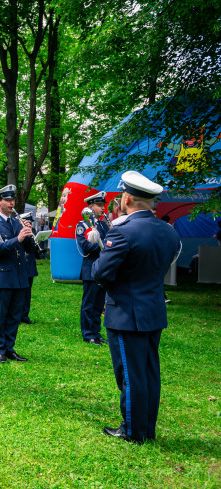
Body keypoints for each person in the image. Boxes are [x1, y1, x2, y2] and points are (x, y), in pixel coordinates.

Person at [92, 171, 181, 444]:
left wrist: (100, 251)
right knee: (149, 373)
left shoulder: (122, 231)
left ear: (127, 198)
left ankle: (132, 430)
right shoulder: (168, 231)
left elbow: (100, 273)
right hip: (153, 309)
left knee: (130, 375)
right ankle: (146, 428)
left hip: (125, 313)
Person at [0, 185, 38, 363]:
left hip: (19, 276)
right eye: (7, 200)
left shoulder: (17, 222)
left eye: (12, 200)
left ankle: (9, 347)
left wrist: (31, 235)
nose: (11, 203)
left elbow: (30, 250)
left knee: (15, 315)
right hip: (2, 276)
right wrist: (19, 238)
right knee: (0, 315)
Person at [75, 191, 110, 345]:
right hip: (90, 268)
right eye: (99, 205)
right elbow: (85, 246)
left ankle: (96, 332)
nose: (102, 208)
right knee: (89, 303)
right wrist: (103, 246)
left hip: (103, 268)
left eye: (103, 205)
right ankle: (88, 333)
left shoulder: (103, 224)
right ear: (90, 207)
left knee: (99, 303)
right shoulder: (82, 225)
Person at [21, 214, 38, 325]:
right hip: (21, 265)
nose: (30, 225)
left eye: (31, 224)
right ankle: (17, 315)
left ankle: (25, 315)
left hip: (30, 265)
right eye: (28, 223)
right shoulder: (19, 233)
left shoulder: (33, 234)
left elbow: (36, 251)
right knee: (19, 293)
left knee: (27, 293)